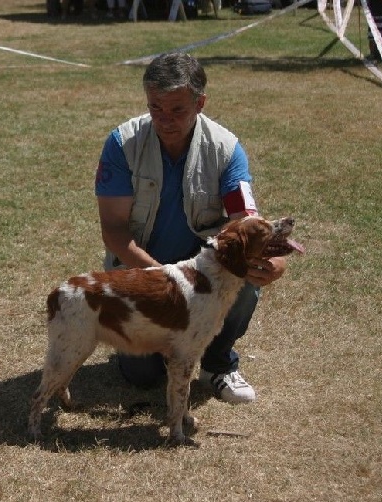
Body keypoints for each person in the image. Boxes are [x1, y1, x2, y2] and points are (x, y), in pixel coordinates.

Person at [94, 53, 287, 404]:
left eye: (177, 110)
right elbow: (115, 231)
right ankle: (162, 350)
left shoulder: (226, 149)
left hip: (202, 270)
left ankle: (217, 364)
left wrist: (274, 260)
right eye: (155, 108)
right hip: (143, 271)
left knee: (243, 277)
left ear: (200, 103)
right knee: (143, 377)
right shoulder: (122, 144)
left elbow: (243, 222)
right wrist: (164, 281)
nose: (165, 120)